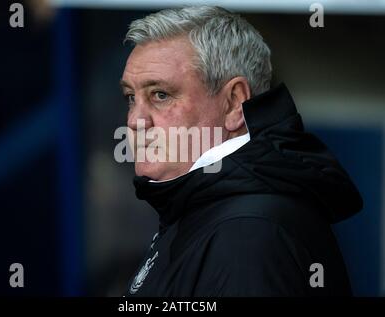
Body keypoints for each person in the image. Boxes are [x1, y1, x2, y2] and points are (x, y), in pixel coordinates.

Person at [119, 5, 363, 296]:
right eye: (131, 97)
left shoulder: (249, 233)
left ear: (235, 103)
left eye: (160, 95)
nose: (135, 121)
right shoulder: (213, 208)